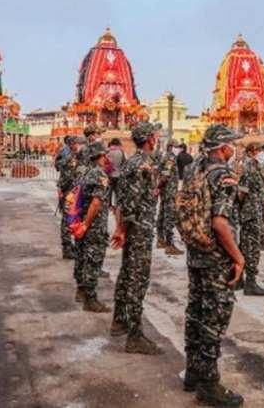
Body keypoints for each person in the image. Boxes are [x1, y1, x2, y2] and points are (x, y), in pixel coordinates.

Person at [182, 124, 245, 407]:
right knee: (214, 318)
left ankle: (193, 373)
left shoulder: (194, 170)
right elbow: (220, 222)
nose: (234, 148)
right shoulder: (223, 176)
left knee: (196, 311)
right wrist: (238, 257)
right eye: (232, 144)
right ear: (222, 147)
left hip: (196, 250)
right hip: (215, 257)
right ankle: (209, 385)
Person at [110, 122, 164, 354]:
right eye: (156, 135)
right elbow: (129, 204)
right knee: (137, 279)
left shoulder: (139, 162)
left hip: (136, 227)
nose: (158, 138)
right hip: (137, 229)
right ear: (150, 139)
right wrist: (122, 229)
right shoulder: (141, 164)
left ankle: (119, 320)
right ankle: (134, 335)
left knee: (126, 273)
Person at [73, 141, 111, 313]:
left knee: (82, 257)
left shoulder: (85, 172)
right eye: (105, 155)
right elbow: (96, 202)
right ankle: (90, 298)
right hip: (93, 225)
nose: (106, 158)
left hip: (82, 221)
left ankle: (81, 290)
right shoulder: (99, 174)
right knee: (93, 260)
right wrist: (87, 224)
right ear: (100, 156)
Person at [237, 142, 264, 296]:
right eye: (258, 150)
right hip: (251, 214)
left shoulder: (256, 167)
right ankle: (250, 283)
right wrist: (245, 208)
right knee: (251, 248)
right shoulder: (249, 168)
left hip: (255, 211)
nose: (261, 153)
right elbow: (242, 193)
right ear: (251, 152)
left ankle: (238, 279)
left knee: (245, 246)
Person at [157, 138, 183, 255]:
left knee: (162, 213)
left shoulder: (165, 156)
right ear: (171, 146)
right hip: (169, 190)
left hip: (165, 190)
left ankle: (160, 239)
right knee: (169, 216)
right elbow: (165, 175)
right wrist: (159, 186)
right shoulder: (170, 157)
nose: (178, 149)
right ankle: (169, 244)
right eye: (177, 146)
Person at [56, 136, 80, 260]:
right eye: (76, 143)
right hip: (68, 193)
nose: (78, 145)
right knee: (67, 221)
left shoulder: (77, 156)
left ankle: (74, 247)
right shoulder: (68, 158)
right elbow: (64, 174)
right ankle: (67, 249)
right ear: (71, 144)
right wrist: (61, 190)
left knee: (75, 219)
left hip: (75, 192)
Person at [107, 137, 126, 207]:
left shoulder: (108, 151)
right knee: (117, 191)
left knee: (109, 191)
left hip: (109, 175)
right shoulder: (121, 151)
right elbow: (124, 162)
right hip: (118, 174)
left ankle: (109, 204)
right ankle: (117, 204)